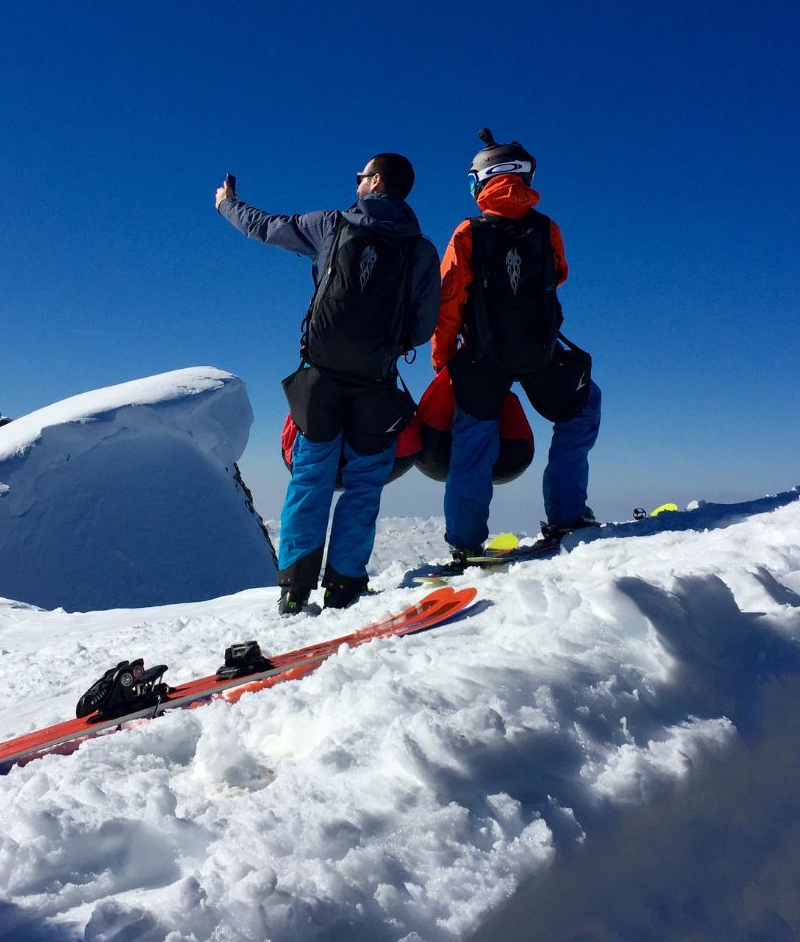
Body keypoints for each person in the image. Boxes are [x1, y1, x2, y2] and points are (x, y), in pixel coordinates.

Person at [215, 154, 440, 614]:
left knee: (310, 476)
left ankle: (294, 592)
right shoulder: (420, 249)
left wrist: (226, 205)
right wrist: (386, 347)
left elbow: (265, 226)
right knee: (363, 483)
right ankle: (345, 588)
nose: (356, 181)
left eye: (360, 175)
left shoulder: (330, 226)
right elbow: (423, 325)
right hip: (377, 383)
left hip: (321, 377)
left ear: (374, 182)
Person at [432, 129, 601, 558]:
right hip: (541, 352)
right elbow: (558, 276)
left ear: (482, 179)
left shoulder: (468, 231)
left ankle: (466, 545)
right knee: (582, 408)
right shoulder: (547, 228)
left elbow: (448, 300)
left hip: (483, 357)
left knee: (472, 442)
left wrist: (444, 360)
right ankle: (567, 516)